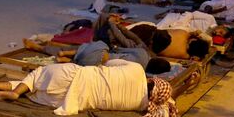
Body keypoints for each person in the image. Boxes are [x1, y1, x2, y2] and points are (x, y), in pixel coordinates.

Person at [0, 59, 178, 117]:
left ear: (152, 81)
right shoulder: (140, 105)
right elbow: (164, 104)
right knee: (32, 89)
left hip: (76, 77)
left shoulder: (136, 69)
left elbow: (109, 63)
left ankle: (7, 90)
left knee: (37, 75)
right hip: (71, 100)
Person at [21, 38, 171, 74]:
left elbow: (118, 49)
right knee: (88, 62)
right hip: (93, 65)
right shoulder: (138, 72)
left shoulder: (142, 53)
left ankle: (61, 52)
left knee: (99, 46)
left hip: (98, 54)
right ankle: (67, 58)